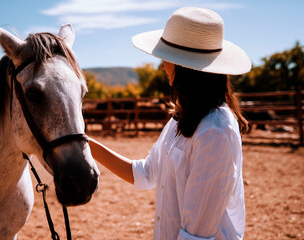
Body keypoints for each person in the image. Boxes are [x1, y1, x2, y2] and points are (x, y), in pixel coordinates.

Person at [88, 7, 251, 240]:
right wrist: (86, 144)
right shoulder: (181, 120)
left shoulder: (215, 131)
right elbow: (145, 173)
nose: (162, 65)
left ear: (184, 66)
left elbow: (196, 235)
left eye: (167, 58)